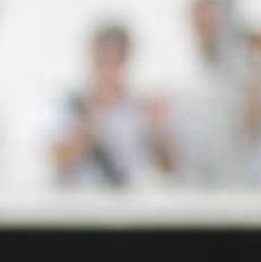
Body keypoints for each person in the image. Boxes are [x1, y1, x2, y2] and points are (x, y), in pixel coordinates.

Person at [50, 21, 174, 187]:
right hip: (81, 203)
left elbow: (169, 167)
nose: (109, 65)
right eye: (104, 57)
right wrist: (95, 113)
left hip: (130, 203)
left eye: (116, 58)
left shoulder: (142, 107)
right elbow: (60, 160)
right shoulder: (70, 104)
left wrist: (156, 130)